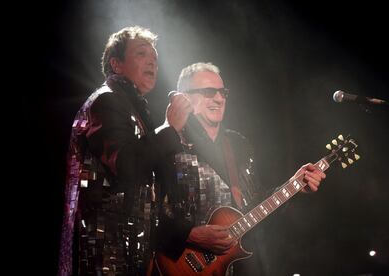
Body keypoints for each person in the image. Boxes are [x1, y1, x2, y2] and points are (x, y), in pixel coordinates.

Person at [153, 62, 326, 275]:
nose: (219, 99)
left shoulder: (238, 144)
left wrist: (293, 186)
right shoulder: (166, 140)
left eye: (222, 92)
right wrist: (188, 235)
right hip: (178, 261)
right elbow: (147, 208)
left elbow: (253, 203)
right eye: (209, 92)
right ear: (183, 97)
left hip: (235, 266)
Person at [58, 26, 192, 276]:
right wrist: (169, 128)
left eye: (155, 57)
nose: (152, 60)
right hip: (104, 257)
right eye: (142, 54)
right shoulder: (106, 100)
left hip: (130, 256)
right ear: (116, 65)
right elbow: (127, 165)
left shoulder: (133, 107)